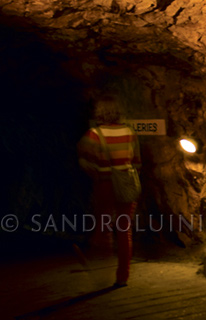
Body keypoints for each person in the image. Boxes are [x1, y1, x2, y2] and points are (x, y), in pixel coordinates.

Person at [78, 95, 141, 287]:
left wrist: (97, 170)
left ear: (100, 112)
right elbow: (137, 161)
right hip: (126, 185)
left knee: (103, 227)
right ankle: (123, 276)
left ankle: (102, 268)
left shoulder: (94, 134)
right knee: (124, 230)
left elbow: (83, 160)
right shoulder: (130, 133)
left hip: (105, 185)